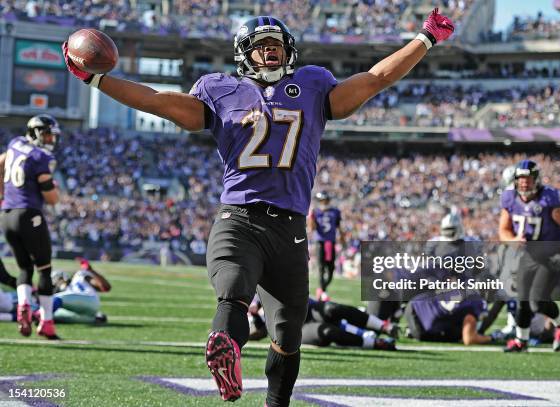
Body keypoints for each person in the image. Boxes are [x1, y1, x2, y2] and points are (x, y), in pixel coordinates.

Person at [63, 11, 454, 405]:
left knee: (287, 333)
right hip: (239, 217)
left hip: (290, 229)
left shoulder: (314, 84)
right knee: (232, 291)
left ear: (289, 51)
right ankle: (226, 350)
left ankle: (274, 401)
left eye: (276, 45)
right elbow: (157, 101)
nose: (270, 52)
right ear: (244, 54)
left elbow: (375, 79)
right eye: (261, 46)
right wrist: (97, 78)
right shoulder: (218, 90)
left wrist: (424, 39)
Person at [499, 159, 560, 352]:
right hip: (529, 254)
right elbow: (503, 231)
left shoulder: (549, 200)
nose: (524, 183)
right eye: (521, 179)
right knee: (523, 301)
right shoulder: (510, 199)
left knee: (537, 301)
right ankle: (522, 341)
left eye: (528, 179)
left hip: (551, 254)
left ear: (537, 179)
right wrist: (513, 240)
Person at [0, 114, 61, 340]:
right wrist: (56, 194)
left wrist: (3, 195)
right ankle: (46, 322)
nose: (50, 139)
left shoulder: (15, 143)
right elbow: (51, 198)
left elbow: (1, 162)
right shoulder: (40, 156)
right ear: (35, 132)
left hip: (7, 214)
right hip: (29, 214)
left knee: (25, 268)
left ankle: (23, 306)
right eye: (46, 134)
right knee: (44, 268)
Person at [249, 295, 399, 350]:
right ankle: (375, 343)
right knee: (327, 332)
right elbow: (257, 333)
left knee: (331, 308)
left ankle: (382, 325)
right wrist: (255, 314)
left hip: (309, 309)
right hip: (297, 328)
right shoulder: (243, 309)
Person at [48, 258, 111, 324]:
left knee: (55, 299)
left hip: (89, 299)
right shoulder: (65, 293)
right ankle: (95, 318)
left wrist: (91, 270)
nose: (56, 284)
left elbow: (105, 287)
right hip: (85, 310)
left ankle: (42, 318)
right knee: (54, 314)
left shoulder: (79, 277)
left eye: (57, 280)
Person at [308, 191, 343, 301]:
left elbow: (339, 227)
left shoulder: (335, 212)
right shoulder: (315, 212)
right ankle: (322, 291)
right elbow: (312, 228)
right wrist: (311, 218)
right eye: (321, 200)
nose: (323, 202)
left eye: (325, 200)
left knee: (331, 267)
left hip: (331, 242)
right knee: (321, 267)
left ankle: (322, 288)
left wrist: (343, 239)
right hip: (320, 242)